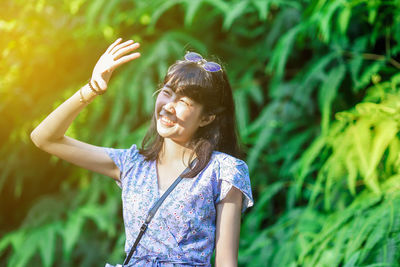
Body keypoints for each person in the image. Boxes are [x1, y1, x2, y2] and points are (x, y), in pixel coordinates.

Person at [30, 38, 254, 267]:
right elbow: (44, 138)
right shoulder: (131, 164)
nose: (169, 105)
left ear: (206, 118)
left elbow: (226, 263)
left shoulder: (223, 171)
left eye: (185, 101)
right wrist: (92, 89)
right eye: (167, 92)